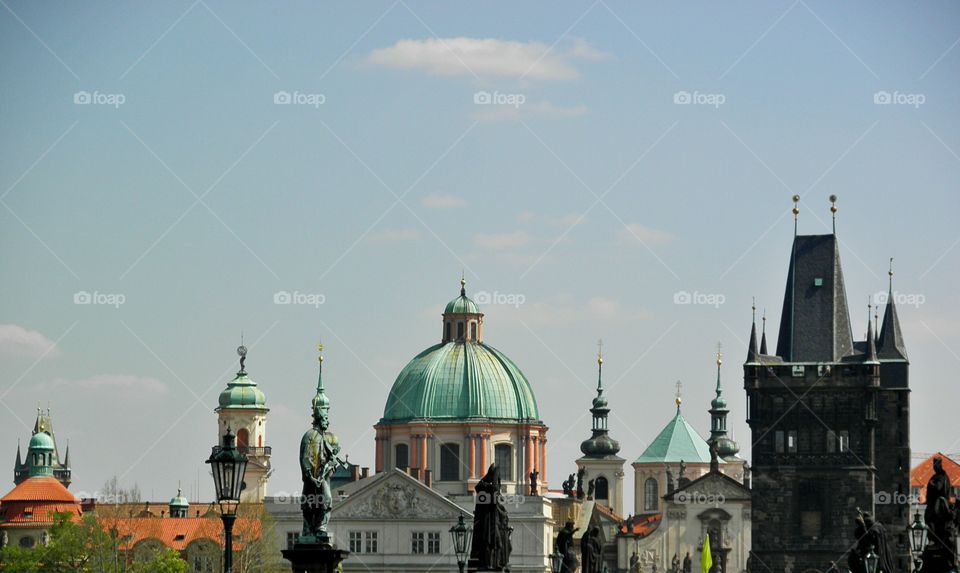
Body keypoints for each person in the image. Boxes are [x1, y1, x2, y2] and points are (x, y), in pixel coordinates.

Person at [470, 464, 511, 569]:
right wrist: (493, 479)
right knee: (491, 543)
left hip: (494, 523)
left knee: (497, 544)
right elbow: (492, 497)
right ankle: (489, 564)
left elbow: (496, 502)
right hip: (488, 523)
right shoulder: (485, 489)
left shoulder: (488, 490)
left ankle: (494, 563)